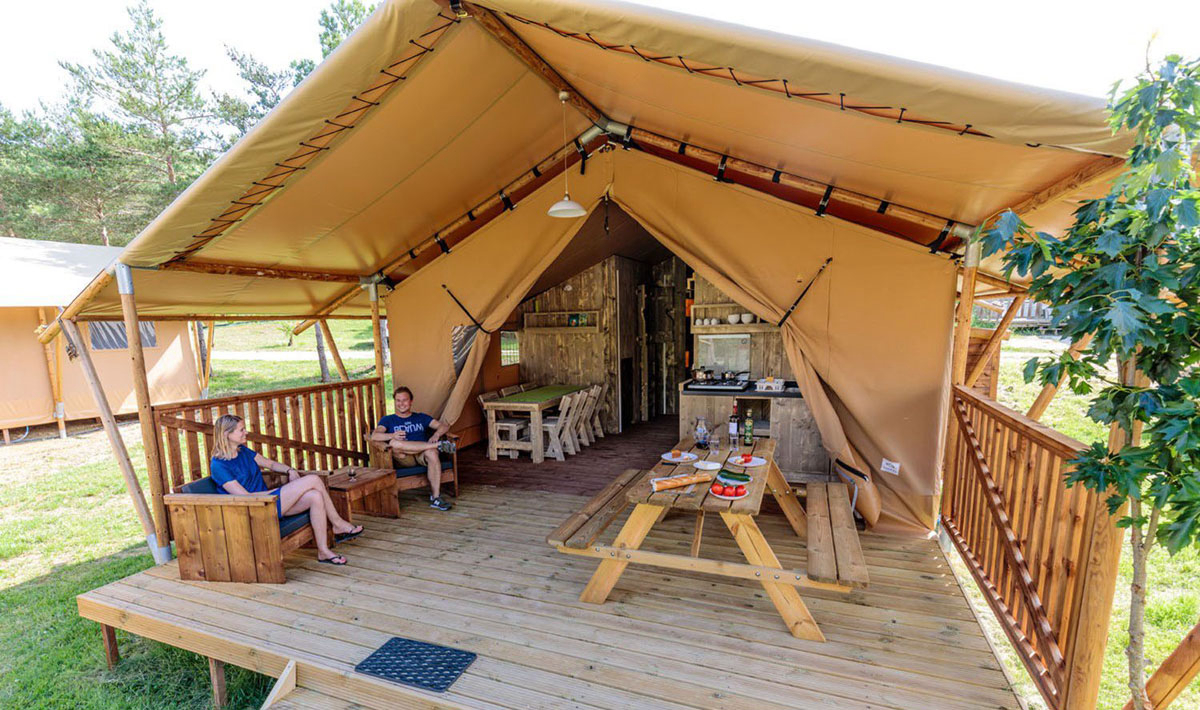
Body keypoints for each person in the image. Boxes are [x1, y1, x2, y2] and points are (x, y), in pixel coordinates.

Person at [209, 414, 362, 565]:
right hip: (255, 509)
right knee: (313, 479)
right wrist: (281, 491)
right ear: (226, 434)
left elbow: (271, 465)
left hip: (270, 502)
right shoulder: (219, 465)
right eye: (241, 430)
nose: (246, 432)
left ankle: (323, 551)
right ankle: (337, 523)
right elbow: (245, 497)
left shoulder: (243, 451)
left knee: (315, 496)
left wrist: (290, 470)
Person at [371, 385, 455, 511]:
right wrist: (392, 435)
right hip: (404, 458)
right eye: (398, 401)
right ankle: (437, 445)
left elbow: (444, 426)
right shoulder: (388, 420)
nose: (401, 404)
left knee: (432, 453)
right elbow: (375, 436)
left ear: (411, 401)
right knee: (394, 443)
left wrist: (437, 434)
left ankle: (436, 498)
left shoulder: (421, 417)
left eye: (404, 400)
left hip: (422, 455)